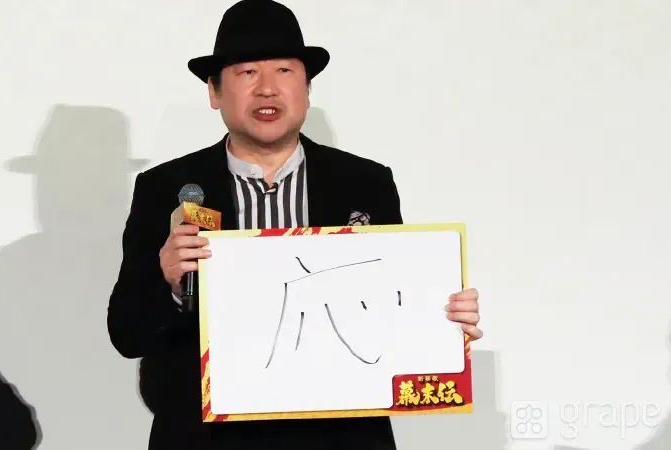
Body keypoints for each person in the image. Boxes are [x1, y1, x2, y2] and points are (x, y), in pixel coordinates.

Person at [107, 1, 482, 449]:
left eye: (284, 71)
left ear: (307, 88)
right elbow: (126, 334)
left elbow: (390, 311)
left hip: (341, 437)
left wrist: (443, 321)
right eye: (247, 73)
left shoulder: (365, 183)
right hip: (206, 438)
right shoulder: (165, 189)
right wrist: (168, 283)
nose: (267, 89)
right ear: (214, 92)